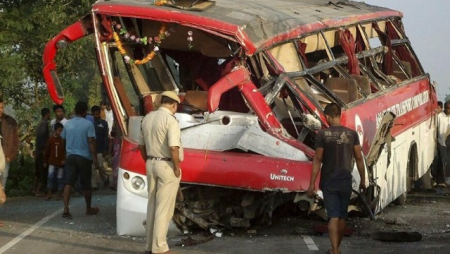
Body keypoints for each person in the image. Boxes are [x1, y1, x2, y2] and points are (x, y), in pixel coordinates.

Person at [307, 103, 365, 254]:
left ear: (327, 117)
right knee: (342, 216)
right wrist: (364, 180)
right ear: (340, 115)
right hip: (346, 180)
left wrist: (312, 183)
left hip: (329, 181)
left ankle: (335, 250)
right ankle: (336, 249)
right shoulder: (352, 134)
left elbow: (318, 159)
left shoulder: (322, 135)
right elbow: (359, 158)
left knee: (332, 215)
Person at [138, 91, 183, 254]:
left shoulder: (147, 118)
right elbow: (173, 147)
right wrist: (177, 167)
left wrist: (149, 161)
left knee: (152, 205)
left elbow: (141, 146)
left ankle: (149, 246)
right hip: (166, 165)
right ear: (174, 105)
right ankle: (160, 247)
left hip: (150, 162)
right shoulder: (170, 121)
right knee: (164, 208)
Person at [61, 101, 99, 219]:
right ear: (84, 112)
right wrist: (95, 158)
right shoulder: (88, 124)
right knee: (86, 184)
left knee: (68, 182)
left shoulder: (67, 124)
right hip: (84, 157)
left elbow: (63, 140)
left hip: (70, 157)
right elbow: (91, 142)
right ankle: (88, 208)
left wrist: (64, 155)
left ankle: (66, 209)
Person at [0, 98, 19, 189]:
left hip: (5, 156)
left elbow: (15, 141)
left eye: (2, 107)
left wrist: (11, 156)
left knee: (3, 179)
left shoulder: (10, 121)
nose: (1, 110)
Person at [44, 123, 66, 200]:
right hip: (52, 162)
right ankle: (49, 193)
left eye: (61, 131)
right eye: (59, 131)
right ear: (55, 131)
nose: (60, 132)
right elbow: (47, 151)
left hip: (61, 163)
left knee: (60, 178)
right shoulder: (51, 139)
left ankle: (59, 193)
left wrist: (64, 159)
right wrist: (45, 161)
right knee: (50, 177)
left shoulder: (63, 140)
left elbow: (64, 151)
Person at [34, 107, 51, 196]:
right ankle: (38, 191)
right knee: (43, 172)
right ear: (47, 114)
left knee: (38, 172)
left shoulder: (39, 124)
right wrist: (45, 152)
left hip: (38, 151)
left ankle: (34, 189)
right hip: (42, 152)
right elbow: (43, 140)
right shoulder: (44, 125)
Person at [91, 105, 109, 188]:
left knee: (100, 165)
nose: (95, 116)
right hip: (90, 148)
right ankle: (93, 184)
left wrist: (106, 148)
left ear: (99, 113)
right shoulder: (90, 123)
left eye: (97, 114)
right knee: (92, 167)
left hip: (100, 148)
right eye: (94, 114)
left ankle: (105, 179)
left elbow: (106, 136)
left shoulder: (103, 123)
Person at [437, 101, 450, 187]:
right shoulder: (439, 117)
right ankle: (446, 179)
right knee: (445, 162)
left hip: (449, 143)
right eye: (448, 108)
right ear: (445, 108)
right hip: (441, 143)